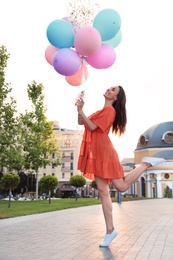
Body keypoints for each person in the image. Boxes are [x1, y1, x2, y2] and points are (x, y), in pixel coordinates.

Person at [75, 86, 165, 247]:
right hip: (97, 154)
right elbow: (82, 121)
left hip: (105, 153)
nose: (108, 90)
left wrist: (82, 111)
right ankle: (110, 230)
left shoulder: (110, 111)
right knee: (103, 192)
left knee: (121, 186)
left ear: (116, 98)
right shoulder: (101, 111)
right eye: (109, 88)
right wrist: (79, 108)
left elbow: (93, 127)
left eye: (113, 90)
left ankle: (145, 164)